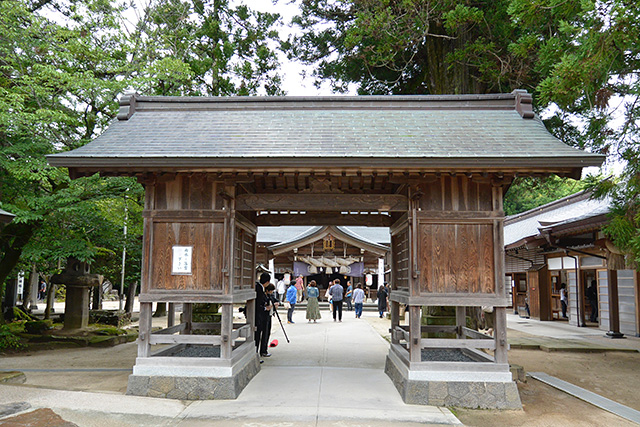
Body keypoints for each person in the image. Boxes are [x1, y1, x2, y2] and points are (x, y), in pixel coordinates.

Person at [255, 272, 273, 358]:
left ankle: (257, 354)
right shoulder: (259, 289)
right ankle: (255, 355)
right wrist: (266, 308)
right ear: (267, 282)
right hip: (258, 316)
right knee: (257, 336)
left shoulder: (259, 287)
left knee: (259, 335)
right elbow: (258, 304)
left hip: (260, 316)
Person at [263, 283, 279, 356]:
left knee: (268, 332)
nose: (272, 292)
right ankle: (263, 350)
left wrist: (276, 304)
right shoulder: (264, 296)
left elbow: (276, 301)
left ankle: (265, 349)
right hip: (264, 316)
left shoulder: (271, 296)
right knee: (264, 334)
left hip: (269, 316)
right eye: (271, 291)